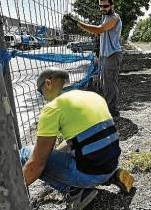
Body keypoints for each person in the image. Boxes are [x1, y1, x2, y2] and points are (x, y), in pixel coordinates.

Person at [20, 67, 134, 210]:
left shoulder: (52, 109)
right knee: (84, 148)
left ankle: (77, 192)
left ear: (48, 83)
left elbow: (36, 164)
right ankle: (115, 175)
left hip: (91, 174)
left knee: (26, 153)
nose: (42, 96)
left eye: (40, 91)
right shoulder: (93, 96)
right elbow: (79, 140)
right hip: (111, 164)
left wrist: (14, 194)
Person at [67, 0, 123, 117]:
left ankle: (113, 111)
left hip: (112, 54)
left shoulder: (113, 18)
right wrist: (98, 54)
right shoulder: (106, 16)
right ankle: (109, 108)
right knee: (105, 82)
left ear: (112, 6)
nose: (103, 8)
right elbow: (100, 36)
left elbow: (99, 30)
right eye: (100, 6)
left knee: (110, 82)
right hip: (105, 55)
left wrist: (78, 23)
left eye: (105, 6)